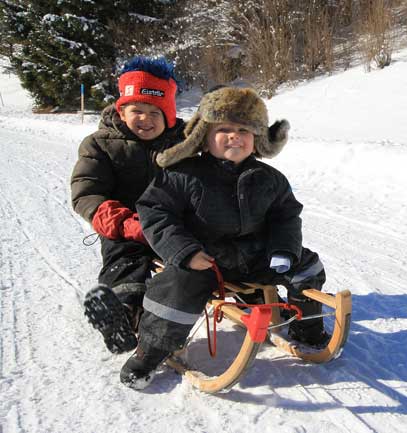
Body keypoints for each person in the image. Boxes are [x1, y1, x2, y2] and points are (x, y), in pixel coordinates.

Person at [121, 86, 328, 389]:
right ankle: (150, 351)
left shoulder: (270, 179)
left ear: (256, 138)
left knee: (308, 265)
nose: (235, 136)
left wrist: (284, 250)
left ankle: (306, 328)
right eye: (225, 129)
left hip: (257, 256)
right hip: (205, 259)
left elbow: (286, 216)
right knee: (176, 288)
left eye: (244, 129)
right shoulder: (183, 173)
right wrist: (184, 251)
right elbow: (156, 211)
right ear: (204, 135)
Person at [70, 57, 185, 354]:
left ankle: (260, 298)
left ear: (169, 116)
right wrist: (123, 223)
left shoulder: (183, 144)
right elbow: (87, 193)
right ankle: (122, 313)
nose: (144, 119)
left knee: (215, 249)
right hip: (126, 226)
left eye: (153, 112)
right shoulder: (100, 145)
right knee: (125, 258)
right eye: (137, 110)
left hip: (174, 225)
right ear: (122, 110)